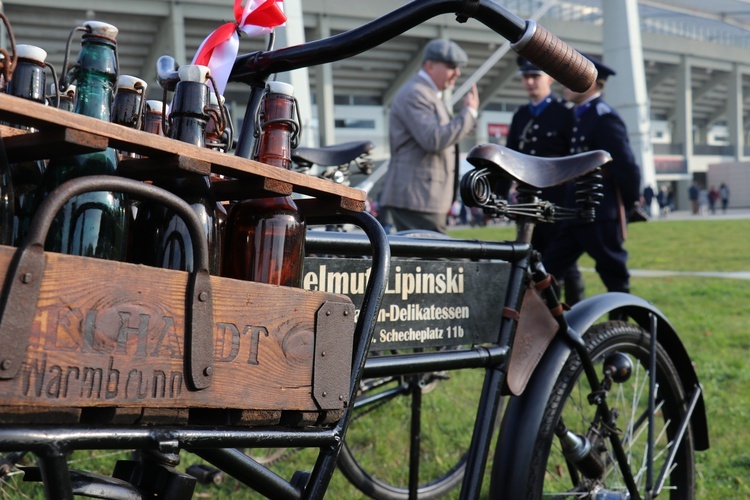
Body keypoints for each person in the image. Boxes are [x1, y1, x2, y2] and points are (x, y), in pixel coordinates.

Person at [542, 56, 641, 298]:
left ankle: (624, 329)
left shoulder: (604, 117)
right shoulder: (580, 115)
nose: (564, 86)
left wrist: (625, 207)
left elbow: (627, 168)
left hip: (599, 212)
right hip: (575, 211)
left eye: (571, 80)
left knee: (614, 275)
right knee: (547, 272)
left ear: (592, 84)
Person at [505, 56, 584, 303]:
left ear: (549, 78)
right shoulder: (520, 116)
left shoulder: (564, 113)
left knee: (563, 264)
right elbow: (509, 157)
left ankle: (572, 313)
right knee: (531, 258)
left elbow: (575, 158)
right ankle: (542, 315)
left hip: (557, 201)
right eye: (525, 77)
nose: (529, 82)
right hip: (528, 202)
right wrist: (498, 194)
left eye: (535, 76)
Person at [379, 39, 479, 234]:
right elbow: (434, 139)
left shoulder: (427, 93)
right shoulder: (416, 93)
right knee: (437, 260)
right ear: (430, 65)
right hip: (417, 199)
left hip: (422, 199)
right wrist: (469, 113)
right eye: (451, 66)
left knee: (431, 259)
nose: (457, 73)